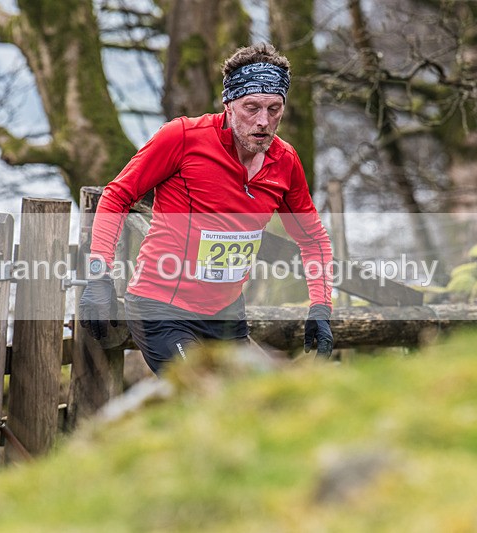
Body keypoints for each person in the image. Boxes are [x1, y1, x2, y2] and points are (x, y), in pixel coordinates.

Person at [79, 43, 334, 374]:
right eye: (251, 107)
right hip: (162, 307)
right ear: (228, 105)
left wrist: (320, 307)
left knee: (253, 409)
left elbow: (313, 239)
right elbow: (116, 196)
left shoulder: (285, 162)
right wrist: (99, 278)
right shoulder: (183, 138)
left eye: (274, 109)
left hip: (226, 313)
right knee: (204, 396)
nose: (263, 122)